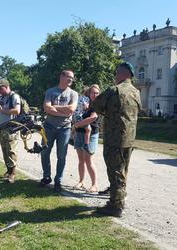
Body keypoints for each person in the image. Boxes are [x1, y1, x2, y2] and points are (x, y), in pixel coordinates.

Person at [93, 62, 141, 217]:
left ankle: (115, 206)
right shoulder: (136, 92)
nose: (115, 77)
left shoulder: (114, 90)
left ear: (122, 73)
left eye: (116, 73)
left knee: (115, 171)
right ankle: (120, 199)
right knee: (123, 171)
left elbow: (96, 106)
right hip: (129, 138)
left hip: (114, 138)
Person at [40, 69, 78, 192]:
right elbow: (46, 108)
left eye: (72, 78)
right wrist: (63, 111)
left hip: (65, 129)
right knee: (45, 152)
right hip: (49, 127)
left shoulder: (73, 94)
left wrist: (54, 108)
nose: (71, 79)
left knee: (61, 155)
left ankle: (58, 181)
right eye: (69, 77)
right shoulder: (50, 91)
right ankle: (46, 177)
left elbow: (71, 110)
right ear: (61, 76)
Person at [73, 84, 101, 193]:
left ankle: (95, 185)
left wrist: (76, 125)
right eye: (93, 92)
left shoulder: (98, 105)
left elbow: (93, 117)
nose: (94, 95)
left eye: (97, 93)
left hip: (92, 134)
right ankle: (81, 181)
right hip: (80, 133)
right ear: (88, 93)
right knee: (81, 160)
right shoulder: (84, 102)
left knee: (88, 161)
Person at [0, 78, 21, 184]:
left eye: (0, 88)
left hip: (11, 129)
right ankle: (8, 170)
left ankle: (12, 174)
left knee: (11, 151)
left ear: (6, 87)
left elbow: (17, 111)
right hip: (3, 128)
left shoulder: (14, 96)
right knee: (4, 150)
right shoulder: (4, 97)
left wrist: (2, 110)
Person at [71, 86, 92, 152]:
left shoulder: (78, 97)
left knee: (76, 126)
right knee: (88, 129)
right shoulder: (86, 99)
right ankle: (86, 144)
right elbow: (85, 107)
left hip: (74, 116)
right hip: (79, 116)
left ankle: (71, 137)